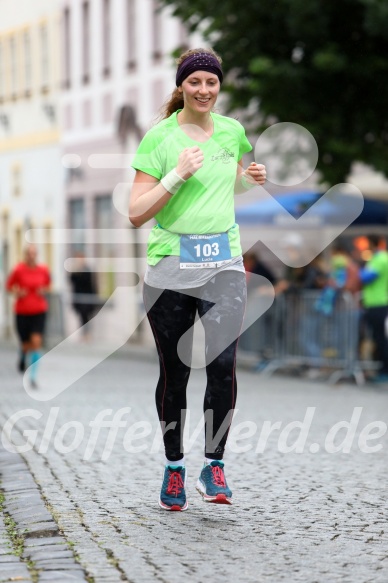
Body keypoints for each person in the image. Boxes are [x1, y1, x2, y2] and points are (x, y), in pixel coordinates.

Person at [129, 48, 266, 511]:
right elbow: (135, 213)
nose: (204, 90)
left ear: (219, 85)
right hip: (171, 266)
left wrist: (250, 178)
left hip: (223, 262)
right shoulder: (160, 138)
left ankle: (214, 463)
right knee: (176, 372)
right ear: (182, 86)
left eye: (211, 82)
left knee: (223, 364)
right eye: (195, 83)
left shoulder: (233, 130)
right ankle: (173, 469)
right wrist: (175, 175)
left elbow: (229, 182)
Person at [6, 244, 51, 388]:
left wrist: (44, 290)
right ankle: (23, 356)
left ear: (36, 255)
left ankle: (32, 376)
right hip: (22, 311)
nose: (32, 256)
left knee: (36, 342)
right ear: (25, 255)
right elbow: (9, 286)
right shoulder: (18, 270)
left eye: (34, 254)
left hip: (39, 310)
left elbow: (49, 285)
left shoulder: (43, 270)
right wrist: (18, 292)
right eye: (29, 254)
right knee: (26, 344)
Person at [360, 235, 388, 382]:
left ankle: (385, 371)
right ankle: (382, 369)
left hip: (379, 303)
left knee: (380, 338)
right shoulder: (380, 258)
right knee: (379, 338)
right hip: (377, 303)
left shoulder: (380, 258)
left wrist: (362, 268)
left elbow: (366, 277)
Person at [69, 252, 98, 341]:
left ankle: (87, 333)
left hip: (87, 297)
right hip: (79, 298)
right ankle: (84, 334)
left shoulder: (87, 270)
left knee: (86, 316)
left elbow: (88, 283)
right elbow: (72, 281)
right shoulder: (75, 271)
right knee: (82, 316)